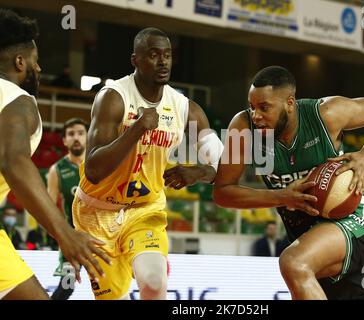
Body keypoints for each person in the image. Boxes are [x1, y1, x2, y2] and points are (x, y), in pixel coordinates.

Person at [213, 65, 364, 300]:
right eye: (252, 107)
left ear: (290, 103)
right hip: (308, 233)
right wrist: (282, 196)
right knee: (304, 274)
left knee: (293, 263)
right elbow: (223, 192)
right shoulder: (242, 128)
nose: (256, 115)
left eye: (264, 107)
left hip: (354, 219)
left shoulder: (326, 113)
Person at [72, 27, 223, 300]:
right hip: (96, 213)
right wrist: (138, 127)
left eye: (167, 55)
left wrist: (202, 171)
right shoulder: (114, 97)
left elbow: (223, 161)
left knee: (153, 283)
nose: (163, 61)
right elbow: (93, 170)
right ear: (136, 60)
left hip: (144, 209)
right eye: (153, 55)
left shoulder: (184, 107)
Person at [0, 9, 110, 300]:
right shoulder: (17, 100)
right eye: (35, 61)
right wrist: (65, 233)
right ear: (19, 62)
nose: (39, 68)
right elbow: (13, 161)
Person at [46, 118, 89, 300]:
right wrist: (62, 236)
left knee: (109, 287)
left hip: (102, 236)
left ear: (88, 137)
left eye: (80, 133)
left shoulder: (98, 163)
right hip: (73, 238)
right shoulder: (57, 170)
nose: (76, 137)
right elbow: (48, 207)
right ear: (64, 140)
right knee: (66, 286)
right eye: (71, 134)